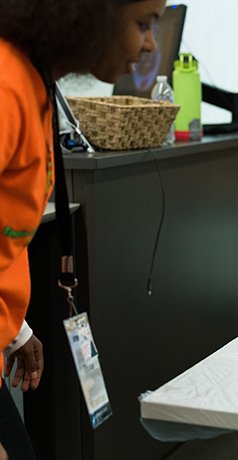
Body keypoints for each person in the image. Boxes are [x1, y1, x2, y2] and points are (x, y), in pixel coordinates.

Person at [0, 0, 166, 457]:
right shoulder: (7, 85)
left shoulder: (34, 83)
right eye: (143, 23)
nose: (150, 43)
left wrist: (13, 328)